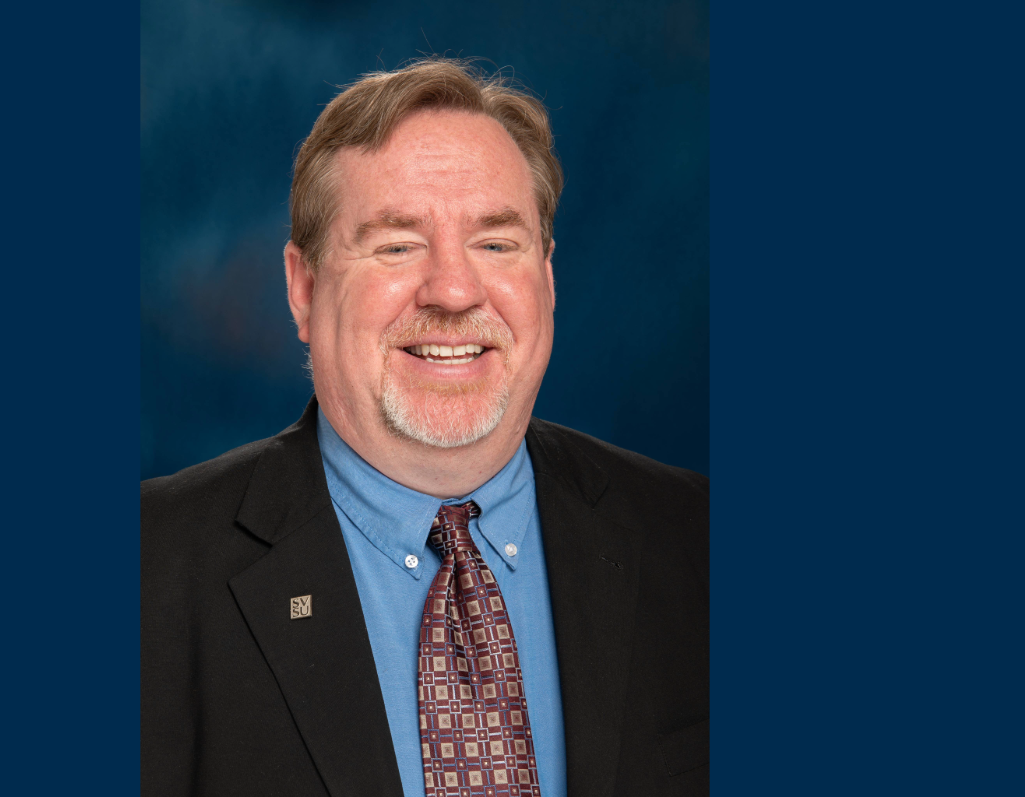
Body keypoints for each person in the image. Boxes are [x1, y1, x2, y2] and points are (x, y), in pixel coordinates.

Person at [142, 58, 708, 797]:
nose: (452, 289)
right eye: (397, 244)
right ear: (304, 290)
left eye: (496, 243)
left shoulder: (696, 539)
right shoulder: (148, 570)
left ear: (548, 278)